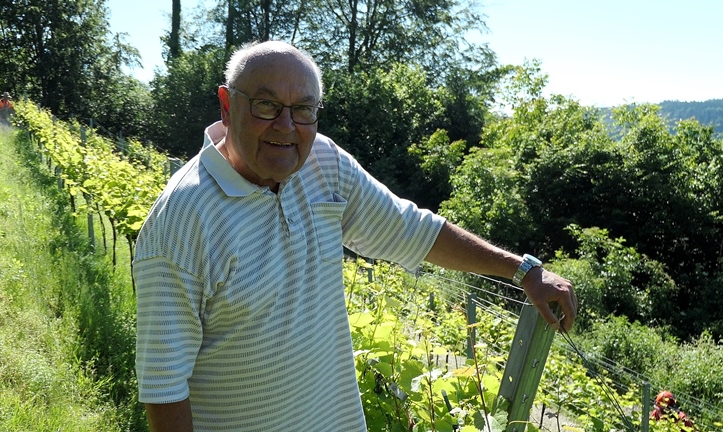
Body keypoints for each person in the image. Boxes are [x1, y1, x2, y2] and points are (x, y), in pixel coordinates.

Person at [133, 40, 577, 432]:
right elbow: (164, 387)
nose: (286, 127)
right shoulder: (181, 222)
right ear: (227, 107)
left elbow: (410, 228)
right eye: (266, 106)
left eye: (303, 109)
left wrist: (522, 269)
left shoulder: (322, 164)